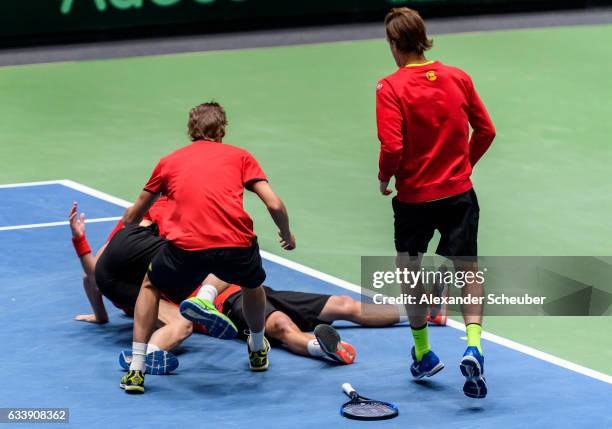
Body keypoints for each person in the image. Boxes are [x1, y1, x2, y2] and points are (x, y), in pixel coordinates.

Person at [120, 102, 295, 393]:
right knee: (252, 283)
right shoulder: (241, 156)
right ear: (222, 130)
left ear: (191, 130)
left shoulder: (169, 162)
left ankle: (137, 368)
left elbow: (136, 212)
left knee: (150, 285)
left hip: (186, 250)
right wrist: (286, 233)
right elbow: (274, 203)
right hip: (236, 246)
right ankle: (256, 347)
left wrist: (131, 221)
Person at [376, 8, 496, 398]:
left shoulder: (390, 87)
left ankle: (424, 353)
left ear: (395, 44)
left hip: (414, 198)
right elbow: (486, 130)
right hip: (459, 193)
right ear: (423, 37)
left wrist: (385, 177)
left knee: (408, 270)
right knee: (468, 270)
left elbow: (393, 145)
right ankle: (474, 345)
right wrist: (463, 166)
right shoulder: (458, 77)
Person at [69, 201, 233, 375]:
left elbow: (91, 278)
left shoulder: (133, 221)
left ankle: (141, 357)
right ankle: (147, 355)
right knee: (185, 320)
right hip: (131, 276)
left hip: (114, 282)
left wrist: (80, 242)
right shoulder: (165, 212)